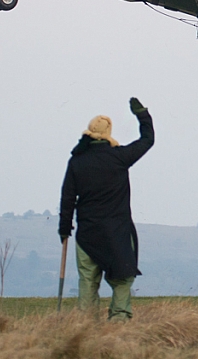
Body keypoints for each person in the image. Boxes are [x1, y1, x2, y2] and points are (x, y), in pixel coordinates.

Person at [59, 97, 154, 320]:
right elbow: (148, 140)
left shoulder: (77, 161)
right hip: (117, 233)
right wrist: (143, 115)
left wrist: (64, 229)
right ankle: (119, 324)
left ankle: (85, 328)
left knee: (88, 282)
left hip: (87, 235)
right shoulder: (119, 157)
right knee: (122, 280)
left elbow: (67, 198)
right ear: (108, 133)